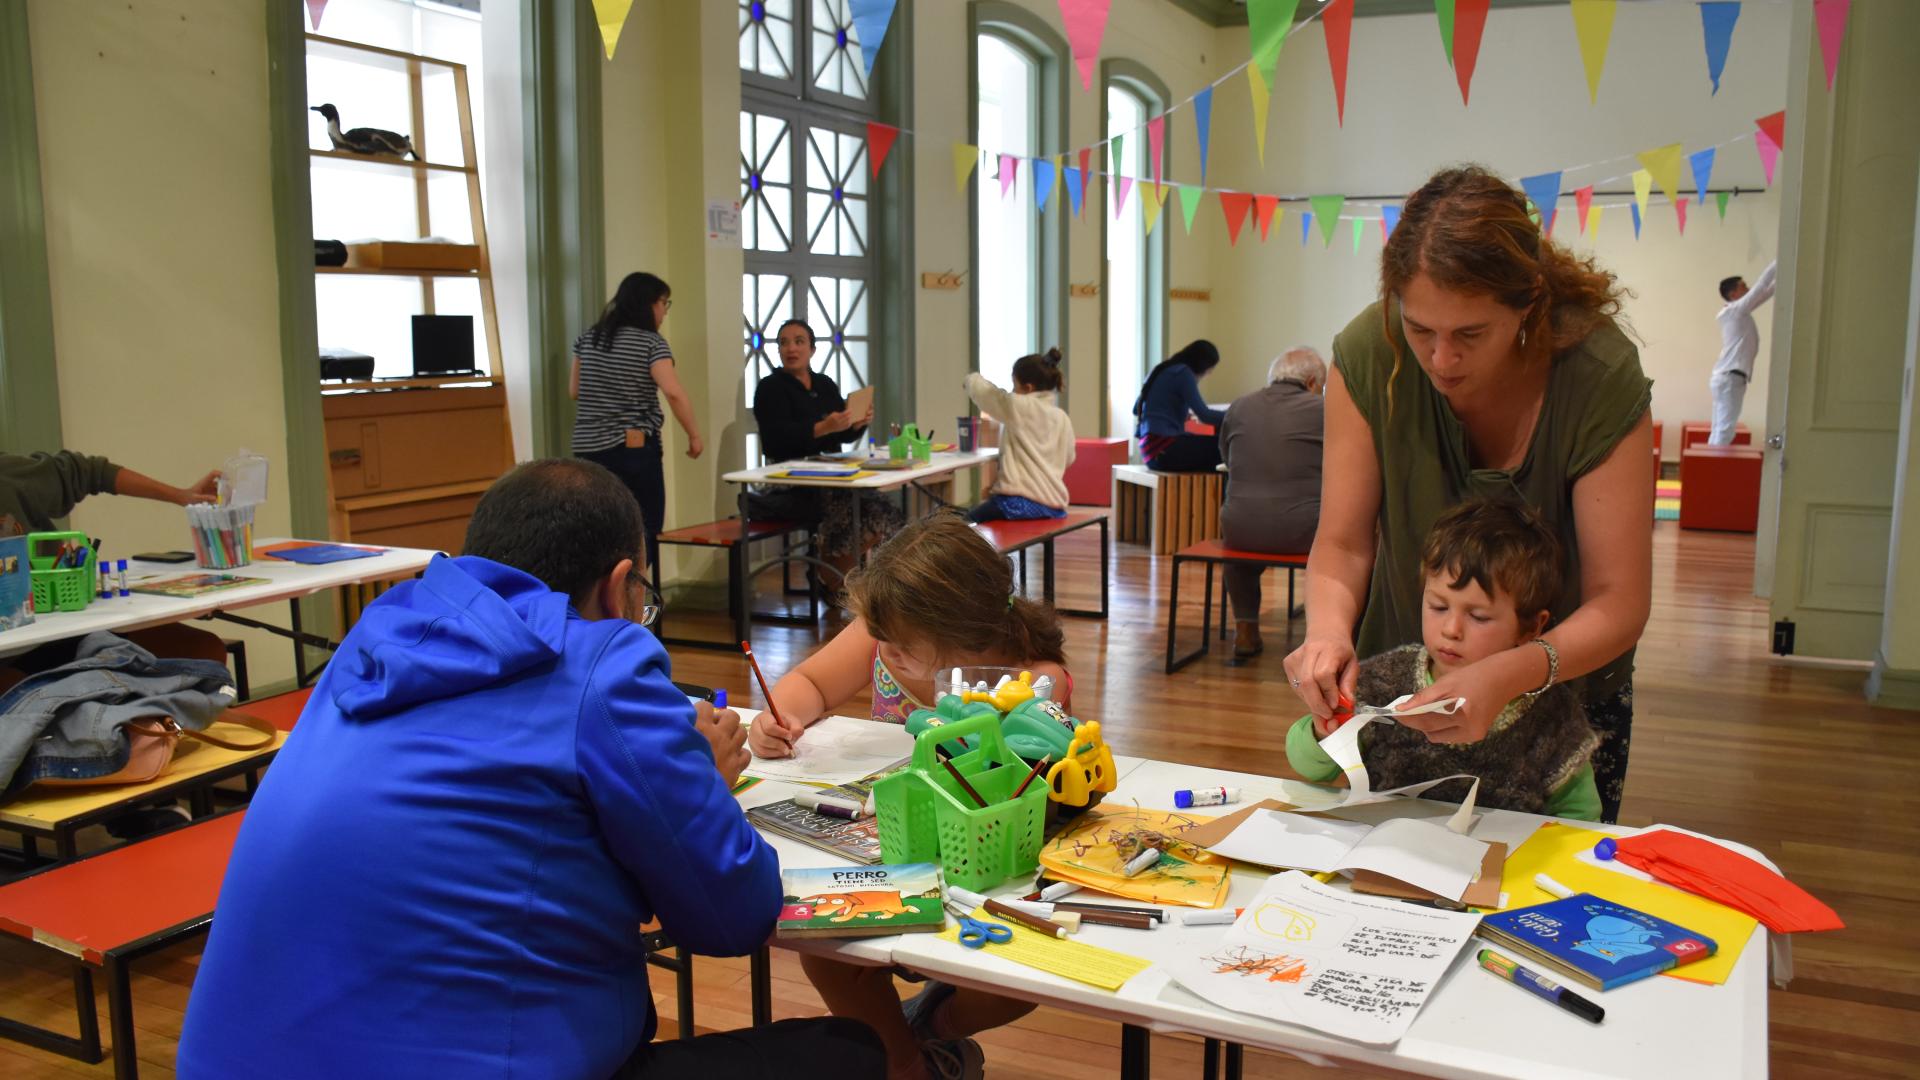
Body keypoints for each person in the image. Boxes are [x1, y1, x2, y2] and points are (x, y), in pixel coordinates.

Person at [178, 459, 883, 1080]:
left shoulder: (374, 644)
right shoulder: (605, 664)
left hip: (229, 1060)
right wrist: (697, 777)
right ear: (619, 590)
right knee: (854, 1052)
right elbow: (734, 918)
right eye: (645, 598)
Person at [1283, 165, 1652, 824]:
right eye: (1421, 329)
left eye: (1471, 335)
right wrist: (1327, 637)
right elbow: (1341, 546)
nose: (1441, 358)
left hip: (1556, 696)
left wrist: (1510, 672)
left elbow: (1619, 600)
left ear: (1529, 304)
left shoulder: (1597, 373)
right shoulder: (1371, 353)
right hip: (1408, 694)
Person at [749, 512, 1071, 1080]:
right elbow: (810, 684)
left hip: (980, 872)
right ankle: (909, 1066)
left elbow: (1029, 782)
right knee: (823, 947)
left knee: (1025, 980)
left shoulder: (1034, 681)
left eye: (900, 644)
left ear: (965, 635)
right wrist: (782, 720)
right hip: (893, 855)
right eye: (881, 638)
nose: (884, 650)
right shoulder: (885, 632)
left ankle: (924, 1036)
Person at [1284, 499, 1601, 820]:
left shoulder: (1553, 716)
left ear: (1532, 627)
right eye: (1438, 606)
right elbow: (1309, 767)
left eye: (1478, 617)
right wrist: (1325, 730)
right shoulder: (1383, 682)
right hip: (1386, 859)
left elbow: (1579, 817)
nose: (1451, 629)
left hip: (1498, 866)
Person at [571, 272, 707, 579]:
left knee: (600, 530)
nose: (664, 311)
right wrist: (694, 435)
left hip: (588, 451)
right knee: (641, 529)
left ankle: (600, 603)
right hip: (632, 450)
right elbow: (673, 391)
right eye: (664, 303)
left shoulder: (589, 338)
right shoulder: (650, 343)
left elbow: (575, 390)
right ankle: (633, 600)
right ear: (649, 303)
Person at [752, 318, 904, 579]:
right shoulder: (769, 388)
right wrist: (822, 427)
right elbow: (776, 439)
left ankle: (839, 577)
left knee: (882, 508)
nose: (791, 349)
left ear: (812, 349)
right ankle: (831, 579)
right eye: (784, 343)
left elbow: (843, 434)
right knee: (853, 506)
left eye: (799, 342)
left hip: (832, 473)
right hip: (790, 479)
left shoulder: (824, 384)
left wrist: (857, 423)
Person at [1218, 347, 1326, 659]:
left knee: (1241, 546)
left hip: (1241, 528)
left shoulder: (1239, 407)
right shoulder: (1323, 410)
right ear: (1310, 382)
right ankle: (1328, 634)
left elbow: (1226, 458)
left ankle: (1246, 629)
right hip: (1305, 533)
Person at [963, 348, 1076, 522]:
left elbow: (989, 396)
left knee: (963, 523)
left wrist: (971, 380)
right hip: (1054, 505)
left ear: (1028, 388)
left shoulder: (1020, 406)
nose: (1012, 391)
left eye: (1014, 385)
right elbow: (1069, 458)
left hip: (1018, 503)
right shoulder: (1062, 418)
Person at [1, 449, 219, 533]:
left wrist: (181, 496)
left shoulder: (9, 474)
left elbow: (91, 472)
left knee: (201, 637)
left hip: (54, 613)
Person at [1133, 339, 1227, 472]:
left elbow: (1136, 409)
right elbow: (1205, 415)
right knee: (1226, 448)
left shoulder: (1160, 370)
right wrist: (1234, 414)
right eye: (1210, 370)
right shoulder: (1183, 373)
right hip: (1164, 448)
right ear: (1203, 365)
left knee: (1211, 448)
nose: (1208, 374)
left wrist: (1174, 412)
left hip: (1148, 450)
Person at [1710, 261, 1777, 446]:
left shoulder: (1736, 312)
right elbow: (1761, 286)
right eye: (1743, 286)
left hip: (1726, 377)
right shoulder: (1735, 311)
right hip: (1730, 377)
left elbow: (1766, 292)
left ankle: (1711, 465)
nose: (1748, 288)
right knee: (1724, 430)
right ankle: (1715, 468)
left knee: (1720, 428)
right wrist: (1781, 261)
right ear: (1733, 294)